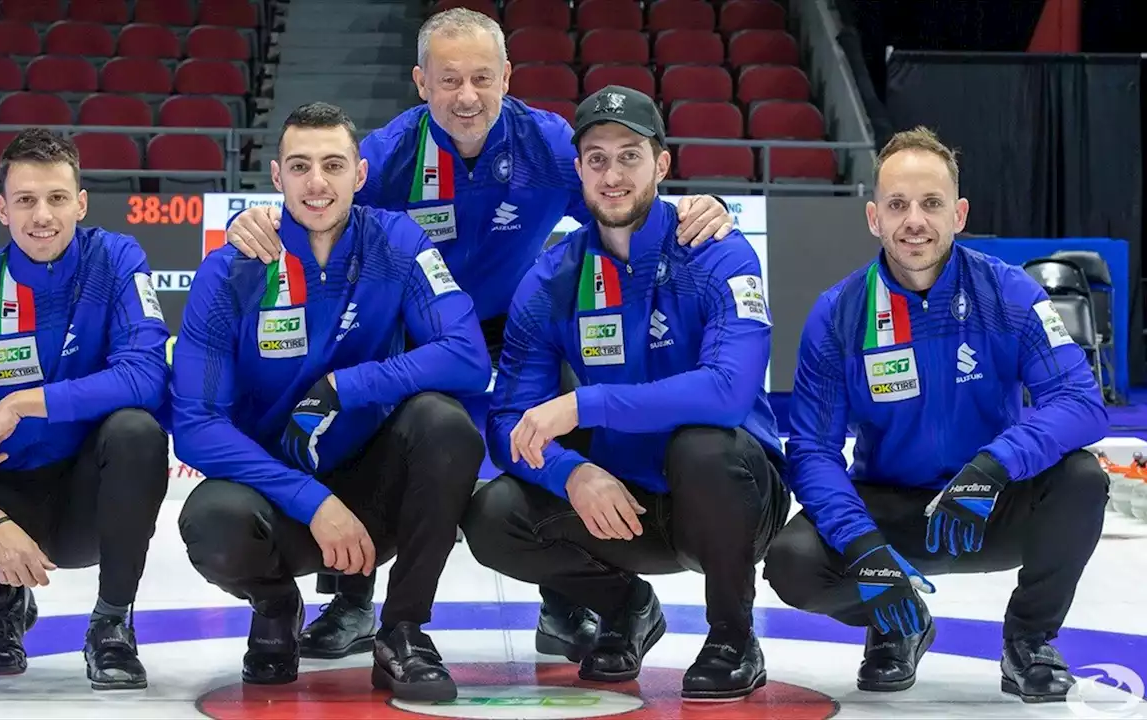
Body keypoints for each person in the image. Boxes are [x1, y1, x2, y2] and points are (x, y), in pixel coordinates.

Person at [223, 8, 737, 664]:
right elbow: (317, 198)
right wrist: (260, 219)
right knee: (369, 435)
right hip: (415, 333)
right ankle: (351, 599)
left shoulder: (548, 146)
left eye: (481, 79)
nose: (466, 96)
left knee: (566, 419)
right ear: (420, 81)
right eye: (448, 80)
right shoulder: (385, 156)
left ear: (507, 78)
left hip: (518, 329)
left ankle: (568, 599)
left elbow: (623, 202)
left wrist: (696, 205)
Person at [460, 86, 790, 700]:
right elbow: (510, 419)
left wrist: (587, 403)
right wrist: (572, 475)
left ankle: (732, 636)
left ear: (661, 165)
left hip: (731, 496)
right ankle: (625, 607)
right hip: (621, 503)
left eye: (630, 156)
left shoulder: (719, 251)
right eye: (596, 159)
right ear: (579, 169)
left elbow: (727, 393)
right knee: (492, 515)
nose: (613, 176)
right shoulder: (555, 274)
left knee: (704, 447)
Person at [763, 126, 1109, 702]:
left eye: (931, 203)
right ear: (874, 218)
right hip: (892, 509)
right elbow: (813, 452)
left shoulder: (1011, 294)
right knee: (791, 563)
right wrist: (862, 546)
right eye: (897, 205)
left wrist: (995, 466)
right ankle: (898, 623)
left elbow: (1079, 401)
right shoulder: (837, 313)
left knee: (1082, 480)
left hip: (987, 501)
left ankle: (1028, 641)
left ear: (959, 213)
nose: (914, 221)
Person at [172, 102, 491, 702]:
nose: (317, 183)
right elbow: (193, 425)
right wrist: (311, 500)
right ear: (276, 176)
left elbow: (468, 356)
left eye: (333, 165)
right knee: (213, 522)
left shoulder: (395, 241)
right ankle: (274, 604)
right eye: (300, 166)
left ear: (360, 174)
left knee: (444, 426)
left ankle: (403, 630)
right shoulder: (231, 270)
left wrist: (354, 384)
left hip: (375, 492)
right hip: (277, 491)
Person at [0, 128, 172, 690]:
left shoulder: (117, 260)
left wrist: (25, 402)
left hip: (86, 498)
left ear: (81, 203)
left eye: (55, 198)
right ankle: (3, 607)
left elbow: (147, 375)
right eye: (25, 200)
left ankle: (112, 626)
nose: (41, 215)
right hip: (4, 488)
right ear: (3, 209)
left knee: (137, 430)